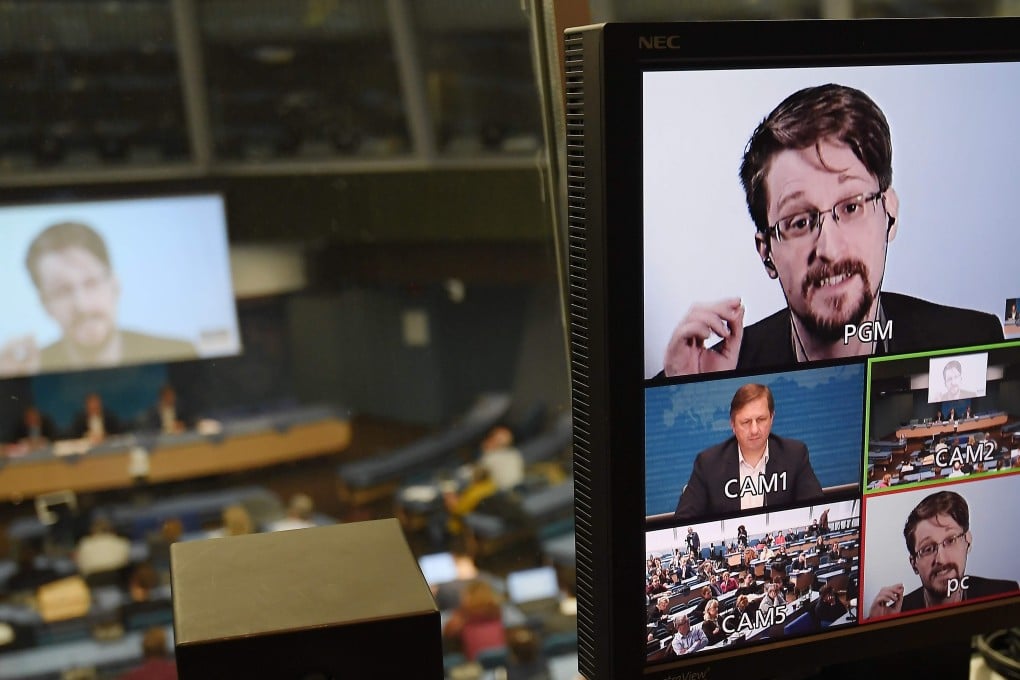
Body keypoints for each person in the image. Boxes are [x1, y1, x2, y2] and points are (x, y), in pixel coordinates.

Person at [660, 84, 1002, 377]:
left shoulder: (972, 341)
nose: (831, 248)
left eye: (851, 207)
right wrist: (693, 394)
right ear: (766, 253)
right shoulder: (712, 369)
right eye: (799, 222)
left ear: (890, 214)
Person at [0, 221, 197, 376]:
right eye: (62, 291)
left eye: (91, 283)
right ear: (45, 305)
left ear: (115, 286)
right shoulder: (24, 370)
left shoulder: (178, 352)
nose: (82, 305)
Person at [675, 384, 823, 519]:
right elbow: (683, 520)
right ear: (732, 424)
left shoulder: (794, 455)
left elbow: (816, 509)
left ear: (772, 418)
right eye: (746, 422)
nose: (754, 430)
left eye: (761, 419)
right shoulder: (708, 464)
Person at [868, 490, 1018, 618]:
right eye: (927, 549)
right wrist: (878, 626)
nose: (941, 559)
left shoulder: (1005, 592)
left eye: (951, 540)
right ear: (913, 563)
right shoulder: (894, 613)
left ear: (968, 541)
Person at [442, 580, 505, 661]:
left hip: (476, 665)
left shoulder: (463, 616)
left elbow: (447, 633)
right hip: (501, 660)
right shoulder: (497, 612)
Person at [476, 425, 525, 491]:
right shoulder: (486, 455)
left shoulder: (510, 455)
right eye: (492, 436)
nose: (493, 441)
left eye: (499, 441)